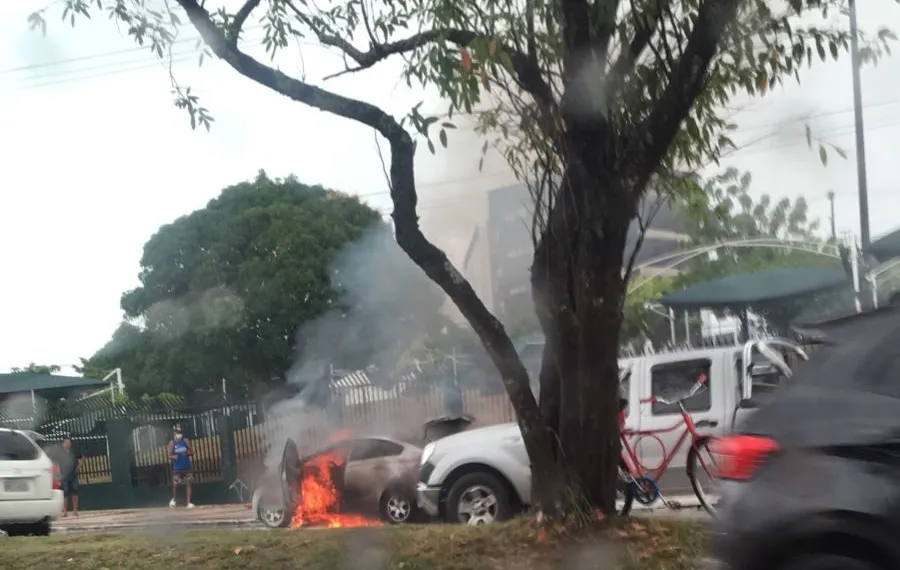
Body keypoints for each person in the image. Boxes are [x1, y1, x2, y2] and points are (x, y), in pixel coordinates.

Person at [167, 425, 195, 508]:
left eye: (180, 433)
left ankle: (188, 502)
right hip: (177, 467)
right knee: (176, 484)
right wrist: (174, 457)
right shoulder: (172, 443)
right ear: (174, 433)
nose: (179, 435)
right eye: (177, 433)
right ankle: (174, 500)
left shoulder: (185, 441)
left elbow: (192, 452)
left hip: (186, 466)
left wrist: (187, 453)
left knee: (188, 483)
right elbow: (169, 455)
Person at [57, 436, 83, 517]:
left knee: (75, 492)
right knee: (65, 493)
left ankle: (75, 510)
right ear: (63, 443)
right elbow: (56, 463)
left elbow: (82, 457)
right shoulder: (60, 453)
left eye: (69, 442)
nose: (68, 444)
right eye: (67, 442)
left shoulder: (74, 451)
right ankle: (65, 511)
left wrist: (79, 466)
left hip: (73, 474)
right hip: (64, 474)